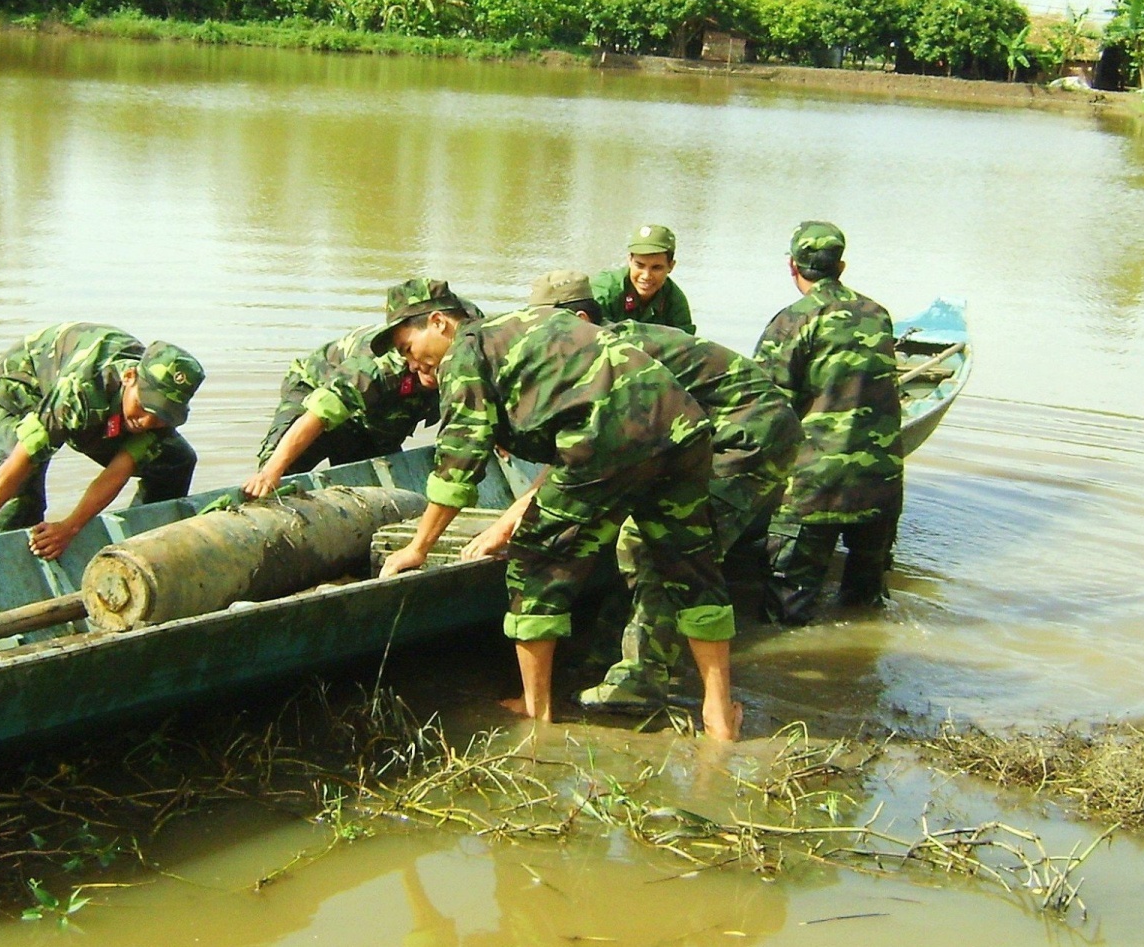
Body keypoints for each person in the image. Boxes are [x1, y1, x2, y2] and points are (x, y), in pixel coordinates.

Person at [373, 278, 740, 739]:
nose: (410, 361)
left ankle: (535, 711)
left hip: (606, 440)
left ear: (439, 322)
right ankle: (719, 715)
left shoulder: (463, 352)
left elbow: (458, 461)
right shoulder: (519, 327)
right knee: (692, 565)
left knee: (534, 564)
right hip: (681, 427)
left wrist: (418, 547)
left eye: (409, 346)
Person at [526, 271, 799, 706]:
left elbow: (579, 457)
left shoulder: (612, 356)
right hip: (695, 435)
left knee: (654, 544)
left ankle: (643, 680)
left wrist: (515, 525)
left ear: (579, 319)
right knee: (631, 530)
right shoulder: (589, 358)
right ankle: (606, 657)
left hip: (746, 435)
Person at [0, 323, 204, 571]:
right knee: (24, 494)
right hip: (28, 383)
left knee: (176, 461)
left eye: (160, 414)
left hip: (104, 409)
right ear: (129, 377)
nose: (147, 420)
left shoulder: (162, 414)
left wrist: (70, 526)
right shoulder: (81, 391)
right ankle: (1, 562)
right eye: (145, 405)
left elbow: (117, 472)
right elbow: (22, 458)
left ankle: (144, 546)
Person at [753, 222, 903, 625]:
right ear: (841, 265)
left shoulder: (793, 320)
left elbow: (765, 407)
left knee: (787, 614)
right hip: (881, 484)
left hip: (813, 487)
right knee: (864, 607)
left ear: (792, 266)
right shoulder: (879, 315)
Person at [243, 323, 446, 498]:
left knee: (377, 487)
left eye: (434, 367)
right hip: (318, 392)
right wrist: (271, 472)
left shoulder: (466, 363)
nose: (419, 367)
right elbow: (321, 412)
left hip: (377, 417)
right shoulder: (381, 365)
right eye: (418, 363)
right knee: (278, 471)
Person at [590, 223, 695, 331]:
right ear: (629, 260)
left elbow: (687, 342)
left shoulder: (674, 300)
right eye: (639, 265)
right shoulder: (604, 292)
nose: (646, 276)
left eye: (656, 268)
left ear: (671, 266)